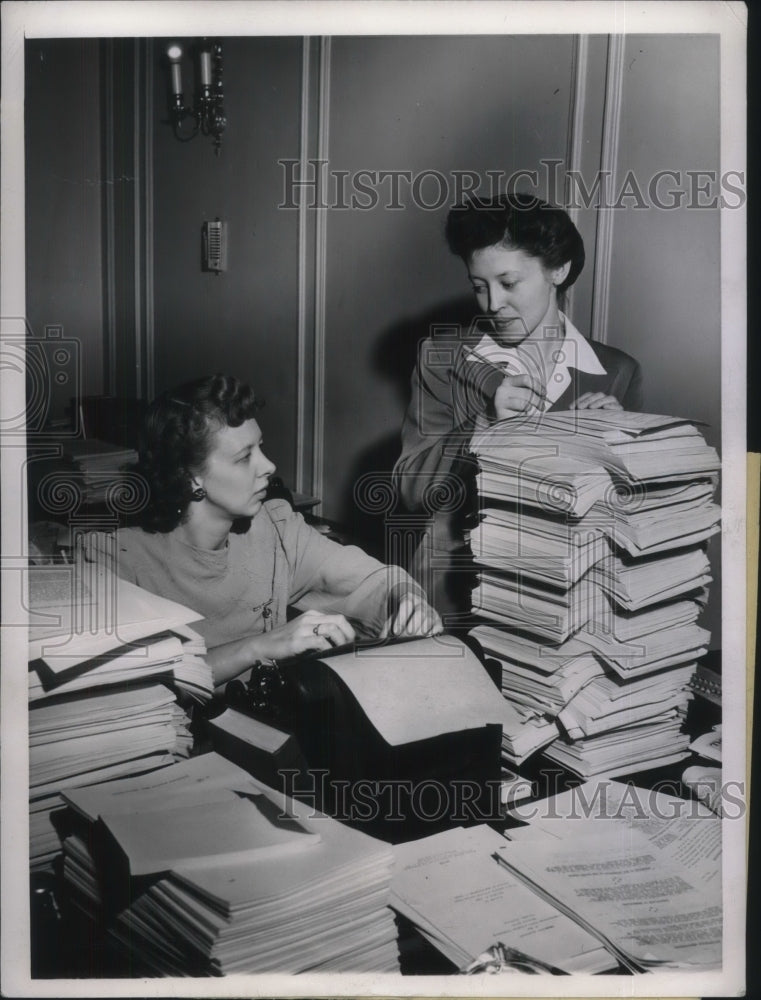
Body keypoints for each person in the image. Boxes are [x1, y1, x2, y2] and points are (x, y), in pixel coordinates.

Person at [84, 374, 441, 690]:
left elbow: (372, 578)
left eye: (261, 447)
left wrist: (407, 599)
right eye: (244, 457)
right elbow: (131, 683)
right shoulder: (118, 561)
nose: (269, 466)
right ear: (190, 476)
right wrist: (259, 647)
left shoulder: (275, 526)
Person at [393, 193, 643, 619]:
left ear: (558, 270)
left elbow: (632, 511)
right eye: (479, 286)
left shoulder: (616, 372)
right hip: (456, 592)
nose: (491, 304)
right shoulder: (443, 357)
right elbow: (409, 488)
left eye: (508, 283)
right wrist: (483, 424)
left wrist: (616, 449)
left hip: (570, 592)